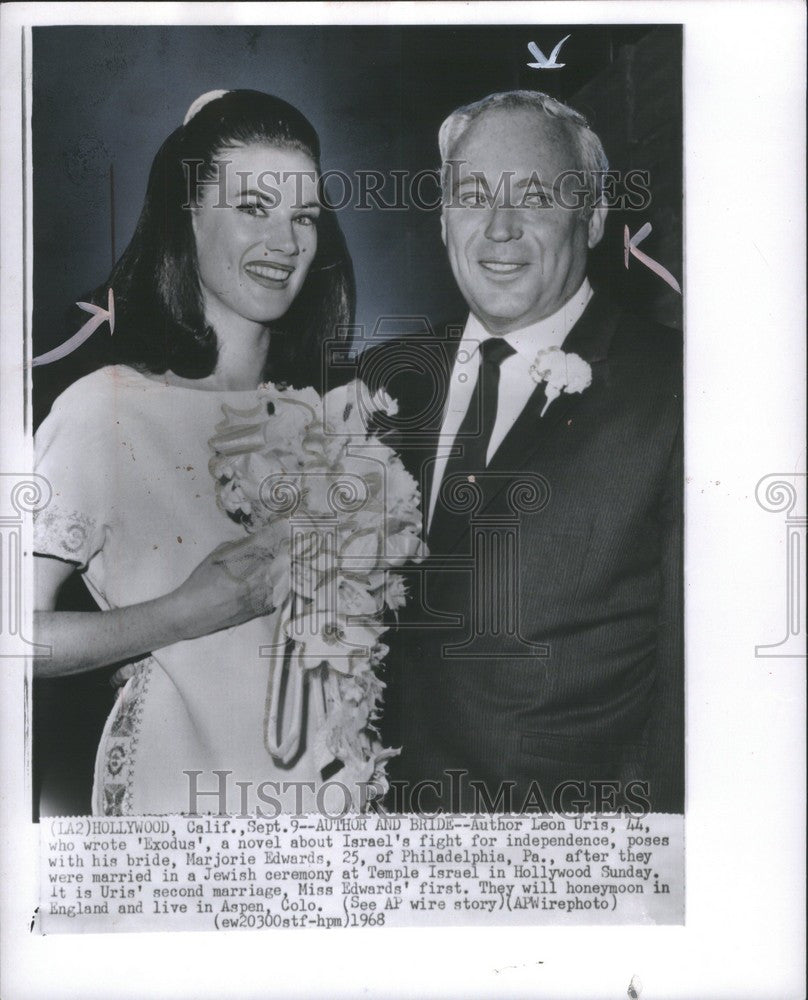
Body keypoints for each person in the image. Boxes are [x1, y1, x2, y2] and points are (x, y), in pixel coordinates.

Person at [33, 89, 364, 816]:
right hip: (177, 821)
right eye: (253, 207)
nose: (285, 242)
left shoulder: (339, 419)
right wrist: (180, 614)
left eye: (303, 215)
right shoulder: (105, 412)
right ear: (187, 215)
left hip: (333, 816)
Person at [364, 90, 683, 814]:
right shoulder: (383, 381)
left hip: (564, 877)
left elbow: (697, 696)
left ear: (594, 217)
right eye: (472, 195)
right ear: (444, 217)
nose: (498, 228)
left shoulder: (676, 388)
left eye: (534, 196)